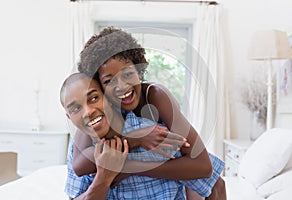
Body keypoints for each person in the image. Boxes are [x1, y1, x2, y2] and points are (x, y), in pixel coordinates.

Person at [77, 26, 226, 200]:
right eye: (109, 81)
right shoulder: (99, 108)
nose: (122, 86)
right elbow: (79, 166)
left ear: (139, 71)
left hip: (199, 183)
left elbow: (203, 166)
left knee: (214, 183)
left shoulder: (155, 96)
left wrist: (129, 167)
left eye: (128, 74)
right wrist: (136, 138)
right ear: (99, 85)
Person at [61, 73, 129, 200]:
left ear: (107, 97)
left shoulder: (146, 128)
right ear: (69, 118)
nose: (88, 112)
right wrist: (103, 178)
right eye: (76, 109)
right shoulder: (79, 147)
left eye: (94, 98)